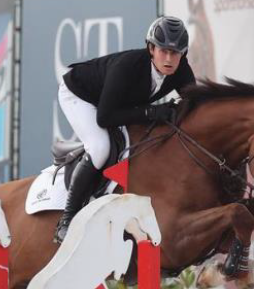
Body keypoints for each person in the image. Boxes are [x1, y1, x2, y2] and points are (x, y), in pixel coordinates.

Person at [54, 15, 196, 243]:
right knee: (100, 147)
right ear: (151, 48)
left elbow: (195, 104)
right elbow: (105, 117)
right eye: (163, 51)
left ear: (183, 54)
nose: (169, 59)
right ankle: (66, 220)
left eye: (175, 53)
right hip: (79, 95)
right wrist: (153, 112)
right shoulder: (128, 67)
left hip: (113, 103)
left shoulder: (181, 70)